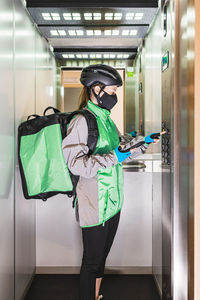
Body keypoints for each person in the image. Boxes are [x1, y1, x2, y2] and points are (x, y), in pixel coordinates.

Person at [62, 64, 160, 300]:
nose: (114, 96)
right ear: (96, 89)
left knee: (101, 258)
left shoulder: (106, 120)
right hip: (94, 205)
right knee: (91, 262)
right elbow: (76, 164)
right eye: (113, 91)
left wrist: (143, 143)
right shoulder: (81, 121)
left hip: (113, 202)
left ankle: (96, 296)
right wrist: (113, 157)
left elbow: (120, 150)